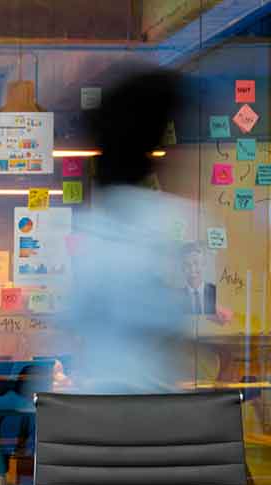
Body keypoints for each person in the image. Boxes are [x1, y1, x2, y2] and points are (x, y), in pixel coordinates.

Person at [61, 67, 198, 393]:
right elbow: (172, 320)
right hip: (151, 407)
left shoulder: (89, 227)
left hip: (94, 407)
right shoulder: (174, 222)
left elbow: (74, 314)